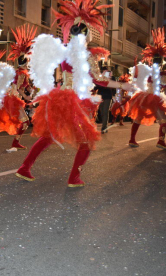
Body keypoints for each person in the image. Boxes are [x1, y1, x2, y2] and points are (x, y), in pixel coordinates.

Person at [16, 0, 133, 187]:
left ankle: (24, 167)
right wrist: (123, 86)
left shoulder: (66, 52)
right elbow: (98, 79)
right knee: (86, 141)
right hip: (74, 101)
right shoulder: (86, 55)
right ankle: (74, 178)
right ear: (86, 34)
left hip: (60, 98)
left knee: (49, 136)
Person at [128, 27, 166, 149]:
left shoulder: (154, 70)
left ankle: (132, 139)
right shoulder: (155, 71)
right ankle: (160, 141)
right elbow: (155, 81)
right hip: (153, 97)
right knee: (163, 121)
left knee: (138, 119)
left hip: (146, 97)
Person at [97, 67, 115, 133]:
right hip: (100, 96)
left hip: (108, 96)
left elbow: (113, 86)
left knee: (105, 111)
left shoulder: (112, 78)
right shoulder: (100, 78)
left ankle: (104, 127)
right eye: (104, 71)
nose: (106, 72)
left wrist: (108, 80)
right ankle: (104, 125)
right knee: (101, 112)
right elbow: (96, 86)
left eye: (107, 71)